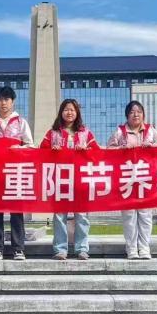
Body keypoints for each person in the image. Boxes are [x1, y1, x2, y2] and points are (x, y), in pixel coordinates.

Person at [0, 85, 34, 261]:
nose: (3, 103)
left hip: (15, 172)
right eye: (0, 99)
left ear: (13, 101)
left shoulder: (21, 122)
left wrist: (19, 148)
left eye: (6, 99)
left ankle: (18, 249)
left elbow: (30, 146)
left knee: (16, 212)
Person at [40, 98, 97, 260]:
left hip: (80, 180)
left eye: (72, 109)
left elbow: (97, 153)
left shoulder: (85, 133)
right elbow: (40, 152)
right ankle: (60, 249)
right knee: (59, 216)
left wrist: (86, 150)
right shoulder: (53, 133)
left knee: (82, 216)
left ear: (77, 112)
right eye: (66, 109)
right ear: (61, 112)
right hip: (60, 180)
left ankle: (82, 249)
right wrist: (51, 150)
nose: (69, 112)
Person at [108, 101, 157, 259]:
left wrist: (152, 147)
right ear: (127, 115)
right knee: (129, 216)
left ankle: (144, 248)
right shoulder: (120, 132)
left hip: (146, 179)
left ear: (143, 114)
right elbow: (108, 151)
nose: (136, 114)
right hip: (127, 180)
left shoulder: (151, 131)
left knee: (145, 215)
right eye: (132, 112)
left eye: (139, 111)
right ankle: (131, 248)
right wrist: (121, 149)